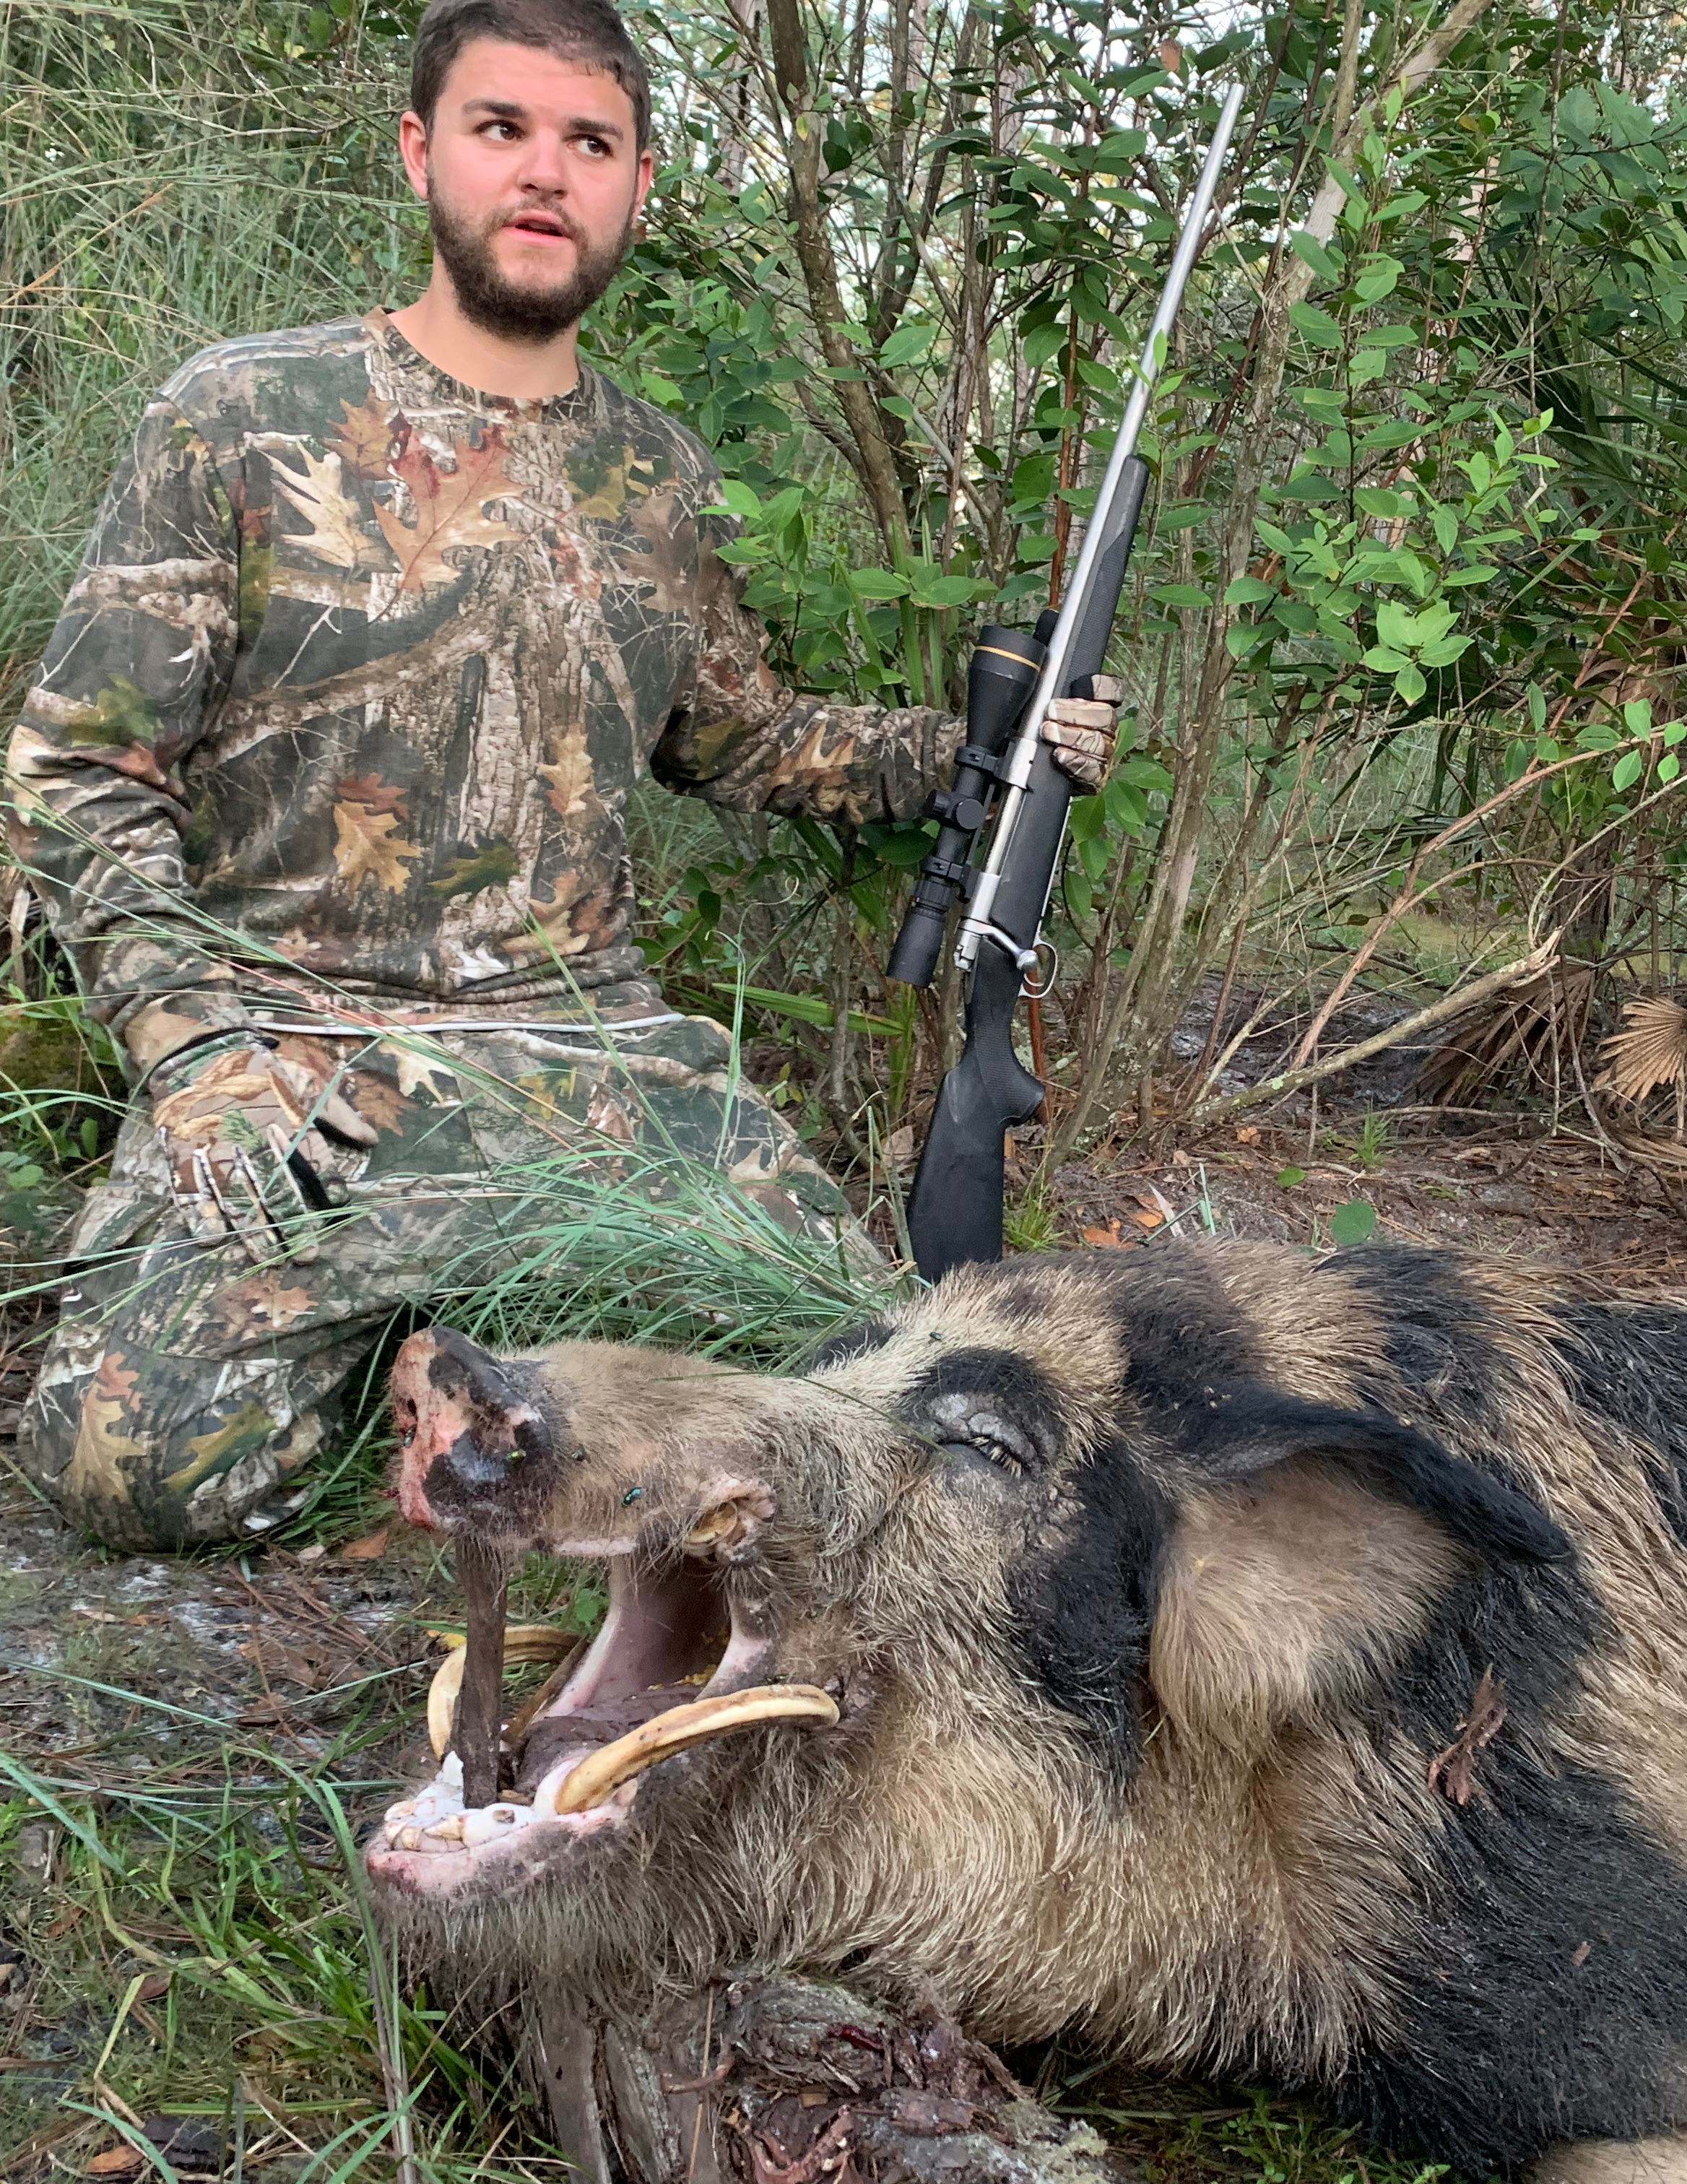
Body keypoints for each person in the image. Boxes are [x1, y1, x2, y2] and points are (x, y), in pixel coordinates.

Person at [4, 0, 1116, 1552]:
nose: (547, 174)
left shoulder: (658, 471)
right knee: (143, 1478)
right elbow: (74, 769)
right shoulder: (241, 413)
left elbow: (737, 732)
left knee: (864, 1390)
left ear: (638, 184)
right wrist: (197, 1047)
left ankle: (492, 1341)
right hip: (304, 1045)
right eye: (502, 130)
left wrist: (978, 752)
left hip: (597, 1057)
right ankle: (425, 1354)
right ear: (420, 154)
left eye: (589, 143)